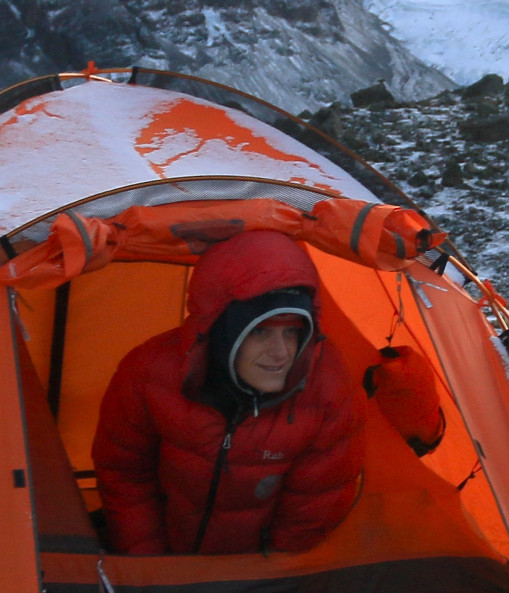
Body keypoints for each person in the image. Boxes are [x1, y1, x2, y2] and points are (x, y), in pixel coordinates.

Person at [92, 230, 362, 555]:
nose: (281, 353)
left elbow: (312, 511)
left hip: (258, 577)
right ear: (220, 332)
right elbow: (125, 475)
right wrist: (152, 569)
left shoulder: (326, 389)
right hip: (162, 561)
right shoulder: (151, 372)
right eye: (260, 331)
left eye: (292, 332)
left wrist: (263, 585)